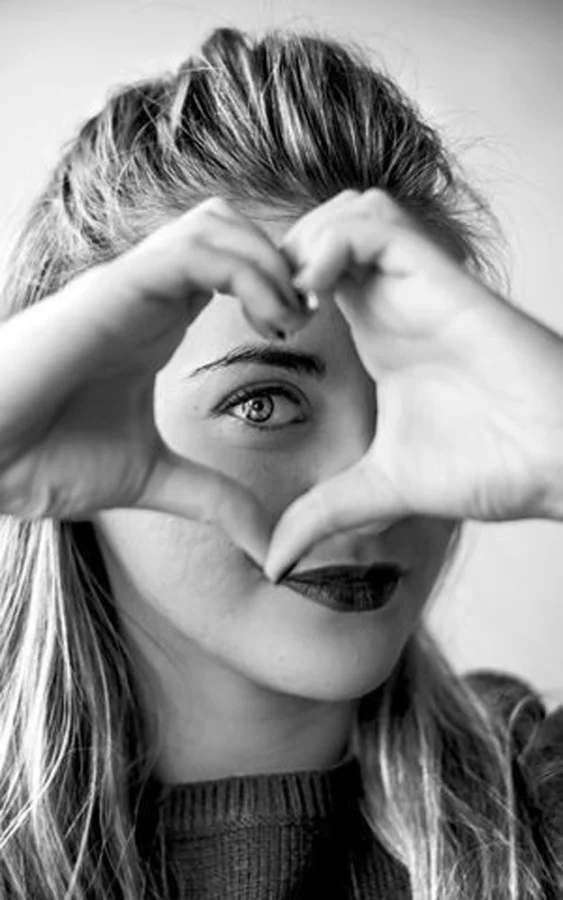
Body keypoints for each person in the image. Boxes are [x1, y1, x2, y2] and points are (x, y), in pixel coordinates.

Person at [0, 24, 561, 900]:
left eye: (416, 406)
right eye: (261, 402)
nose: (368, 490)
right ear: (67, 414)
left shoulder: (540, 805)